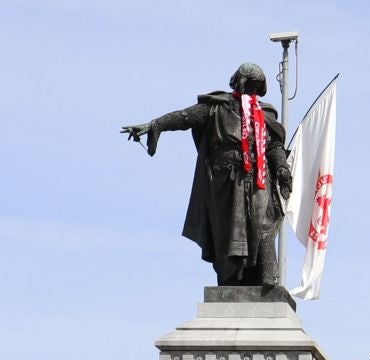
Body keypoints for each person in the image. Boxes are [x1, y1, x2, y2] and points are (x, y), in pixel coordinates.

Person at [123, 63, 293, 289]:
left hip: (257, 177)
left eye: (255, 86)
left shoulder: (264, 113)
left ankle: (268, 279)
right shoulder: (216, 107)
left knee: (263, 221)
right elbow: (184, 118)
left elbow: (273, 146)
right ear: (239, 83)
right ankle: (230, 281)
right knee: (225, 233)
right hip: (224, 181)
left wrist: (281, 168)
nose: (251, 90)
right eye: (248, 84)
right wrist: (156, 125)